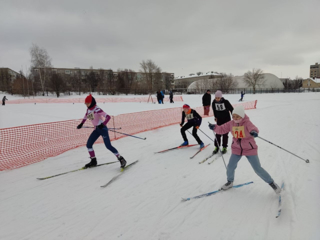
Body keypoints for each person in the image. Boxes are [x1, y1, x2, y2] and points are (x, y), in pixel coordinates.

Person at [208, 105, 281, 194]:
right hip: (236, 148)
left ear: (242, 116)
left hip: (249, 149)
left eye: (237, 116)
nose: (235, 118)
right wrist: (215, 127)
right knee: (230, 167)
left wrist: (254, 132)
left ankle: (271, 183)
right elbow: (222, 129)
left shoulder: (247, 122)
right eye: (234, 116)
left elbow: (253, 128)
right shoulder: (231, 123)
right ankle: (230, 181)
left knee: (257, 168)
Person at [76, 94, 127, 169]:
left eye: (88, 103)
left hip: (103, 129)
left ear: (92, 102)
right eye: (85, 103)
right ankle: (93, 161)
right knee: (89, 145)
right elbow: (86, 116)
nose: (86, 105)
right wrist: (81, 124)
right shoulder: (88, 109)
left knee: (108, 146)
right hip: (96, 130)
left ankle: (121, 159)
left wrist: (103, 124)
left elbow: (108, 117)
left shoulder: (97, 109)